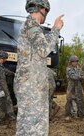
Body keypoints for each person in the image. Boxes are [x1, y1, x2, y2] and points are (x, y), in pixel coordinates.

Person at [13, 0, 63, 135]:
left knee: (27, 125)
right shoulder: (32, 25)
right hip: (31, 86)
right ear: (43, 9)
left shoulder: (29, 26)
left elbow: (38, 48)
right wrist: (56, 29)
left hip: (29, 84)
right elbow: (44, 49)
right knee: (35, 126)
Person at [0, 50, 15, 126]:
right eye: (5, 58)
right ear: (1, 58)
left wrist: (14, 74)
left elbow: (6, 72)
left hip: (2, 88)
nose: (6, 60)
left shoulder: (0, 66)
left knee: (6, 102)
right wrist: (0, 91)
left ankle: (10, 118)